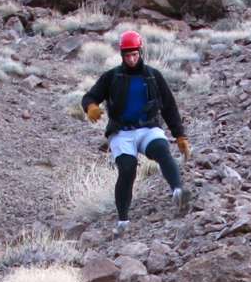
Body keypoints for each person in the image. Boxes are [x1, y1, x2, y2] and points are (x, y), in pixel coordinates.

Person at [82, 31, 192, 230]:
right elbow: (90, 96)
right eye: (127, 55)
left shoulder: (153, 76)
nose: (131, 59)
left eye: (134, 54)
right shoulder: (112, 76)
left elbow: (169, 106)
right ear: (122, 55)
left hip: (148, 128)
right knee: (127, 169)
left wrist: (180, 135)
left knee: (162, 149)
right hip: (121, 133)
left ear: (140, 52)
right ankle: (123, 221)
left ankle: (178, 191)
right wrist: (90, 107)